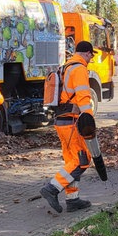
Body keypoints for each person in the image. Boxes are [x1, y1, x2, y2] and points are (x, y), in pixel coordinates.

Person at [40, 41, 97, 213]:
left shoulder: (65, 67)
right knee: (82, 160)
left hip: (61, 120)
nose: (90, 59)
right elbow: (83, 96)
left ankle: (73, 200)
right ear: (87, 53)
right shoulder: (79, 68)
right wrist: (89, 121)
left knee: (71, 161)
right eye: (91, 56)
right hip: (73, 122)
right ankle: (52, 188)